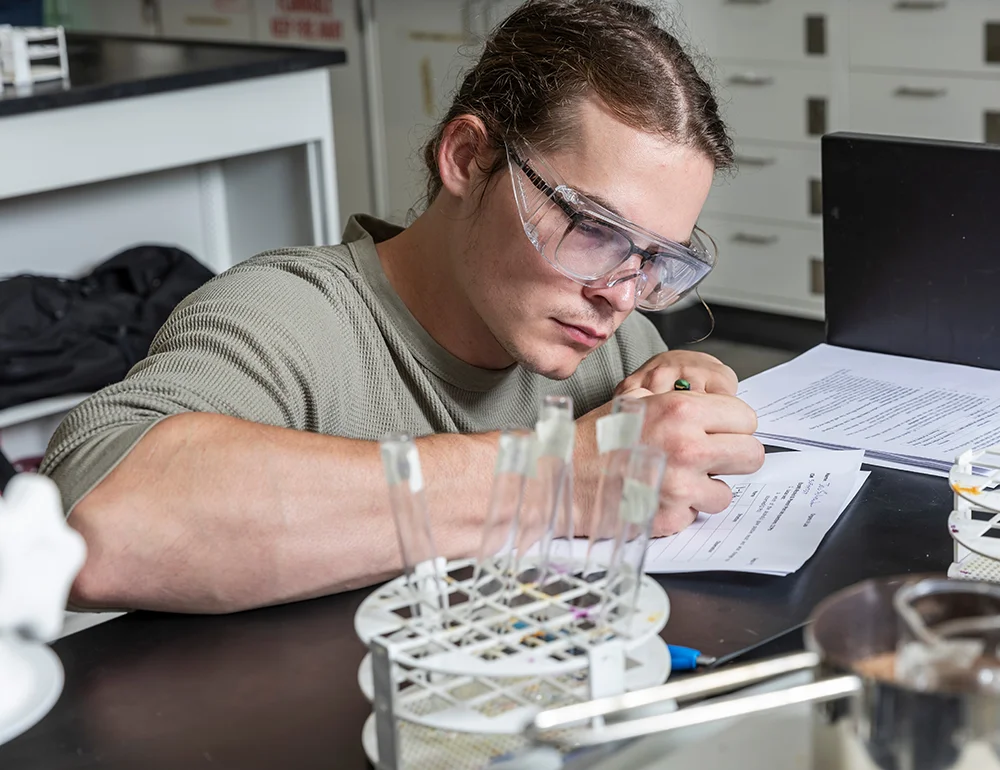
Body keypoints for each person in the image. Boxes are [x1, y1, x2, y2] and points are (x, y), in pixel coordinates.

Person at [41, 0, 764, 613]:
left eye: (655, 259)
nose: (621, 295)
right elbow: (95, 521)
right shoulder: (287, 318)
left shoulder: (617, 345)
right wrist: (555, 478)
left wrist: (686, 410)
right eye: (595, 230)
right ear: (467, 159)